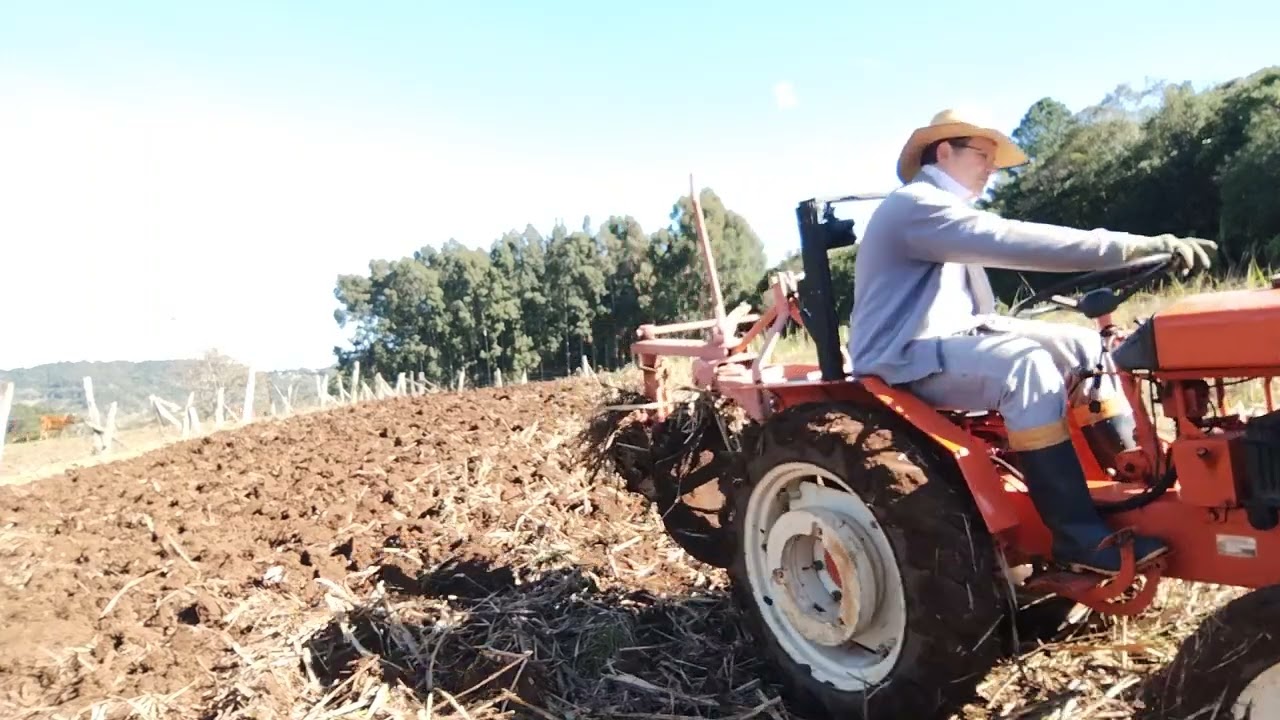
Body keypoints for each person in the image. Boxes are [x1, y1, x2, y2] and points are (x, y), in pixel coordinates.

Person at [848, 109, 1217, 576]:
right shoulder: (915, 205)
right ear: (943, 151)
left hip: (959, 332)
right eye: (983, 155)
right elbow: (1008, 239)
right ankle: (1077, 537)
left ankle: (1134, 479)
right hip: (902, 354)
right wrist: (1129, 246)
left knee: (1087, 348)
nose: (991, 168)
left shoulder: (944, 209)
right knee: (1025, 366)